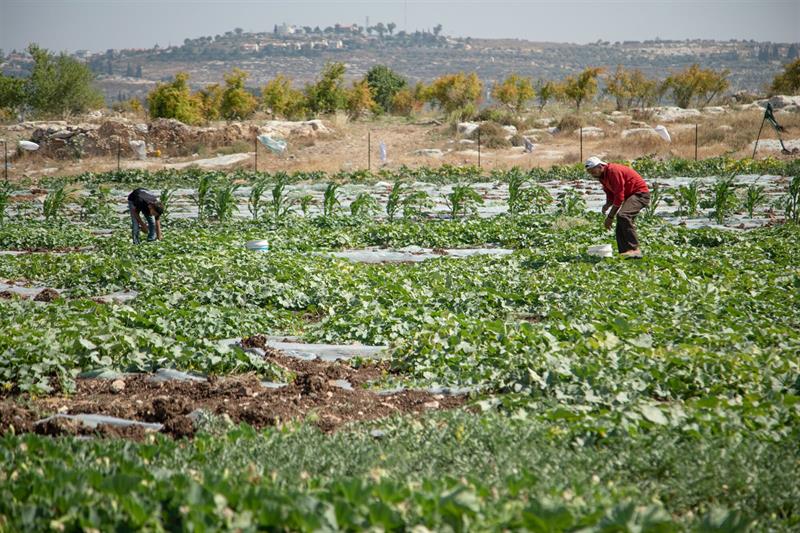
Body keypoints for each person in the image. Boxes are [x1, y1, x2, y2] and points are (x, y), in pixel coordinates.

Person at [584, 156, 650, 258]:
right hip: (631, 196)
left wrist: (610, 217)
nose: (592, 175)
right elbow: (610, 193)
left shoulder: (613, 171)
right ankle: (625, 252)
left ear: (600, 166)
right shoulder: (602, 176)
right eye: (590, 172)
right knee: (621, 220)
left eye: (593, 171)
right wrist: (607, 205)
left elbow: (619, 196)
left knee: (623, 215)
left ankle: (635, 249)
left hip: (640, 194)